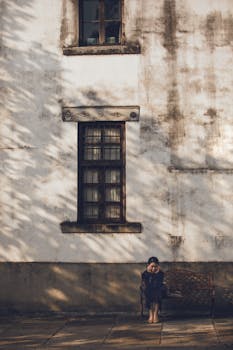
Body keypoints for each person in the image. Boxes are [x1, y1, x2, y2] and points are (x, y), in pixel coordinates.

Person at [141, 256, 164, 323]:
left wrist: (156, 274)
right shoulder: (145, 273)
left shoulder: (161, 273)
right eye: (152, 266)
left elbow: (159, 284)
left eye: (155, 266)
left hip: (158, 290)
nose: (153, 268)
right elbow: (146, 284)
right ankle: (151, 314)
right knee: (148, 293)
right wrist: (149, 273)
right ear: (148, 266)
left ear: (158, 266)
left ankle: (155, 314)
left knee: (157, 293)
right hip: (149, 290)